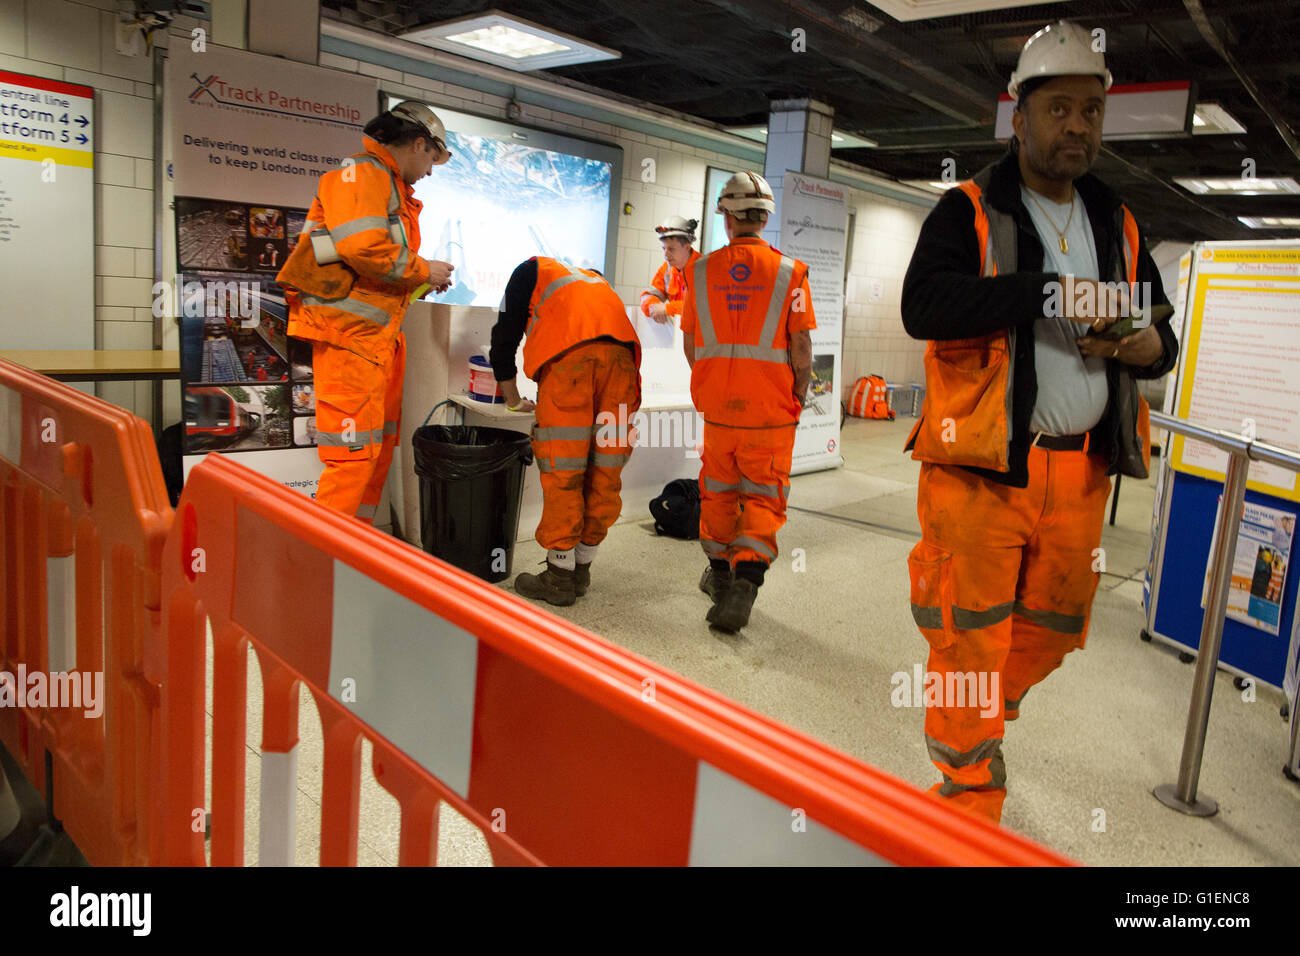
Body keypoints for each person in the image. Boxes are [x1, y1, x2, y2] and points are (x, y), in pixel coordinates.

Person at [900, 20, 1179, 824]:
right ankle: (967, 806)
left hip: (1082, 474)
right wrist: (1047, 293)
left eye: (1092, 110)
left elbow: (1162, 342)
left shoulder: (1117, 221)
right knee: (967, 640)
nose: (1078, 126)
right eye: (1059, 109)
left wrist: (1136, 339)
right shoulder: (969, 209)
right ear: (1018, 118)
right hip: (981, 470)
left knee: (1053, 630)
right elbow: (926, 307)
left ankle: (984, 727)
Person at [277, 101, 455, 523]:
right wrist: (423, 269)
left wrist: (419, 282)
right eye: (432, 158)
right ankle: (322, 570)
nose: (430, 171)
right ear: (418, 144)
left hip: (374, 342)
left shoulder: (385, 186)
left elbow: (366, 269)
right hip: (350, 342)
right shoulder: (362, 174)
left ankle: (356, 555)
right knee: (354, 457)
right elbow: (363, 248)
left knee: (375, 451)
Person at [680, 171, 815, 633]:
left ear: (726, 216)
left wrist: (715, 383)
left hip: (719, 411)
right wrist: (797, 392)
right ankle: (745, 584)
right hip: (771, 413)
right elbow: (800, 347)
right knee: (763, 495)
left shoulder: (697, 272)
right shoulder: (791, 272)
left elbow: (692, 346)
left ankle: (719, 576)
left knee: (717, 492)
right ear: (763, 217)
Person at [489, 257, 642, 605]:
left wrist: (513, 400)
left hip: (570, 364)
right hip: (623, 364)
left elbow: (504, 338)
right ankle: (582, 569)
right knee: (606, 467)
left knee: (565, 467)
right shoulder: (594, 280)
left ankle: (558, 576)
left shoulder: (529, 272)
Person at [640, 216, 702, 325]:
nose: (665, 254)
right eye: (663, 248)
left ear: (687, 247)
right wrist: (652, 307)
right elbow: (647, 295)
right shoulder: (667, 270)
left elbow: (702, 307)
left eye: (671, 249)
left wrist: (668, 308)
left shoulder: (705, 269)